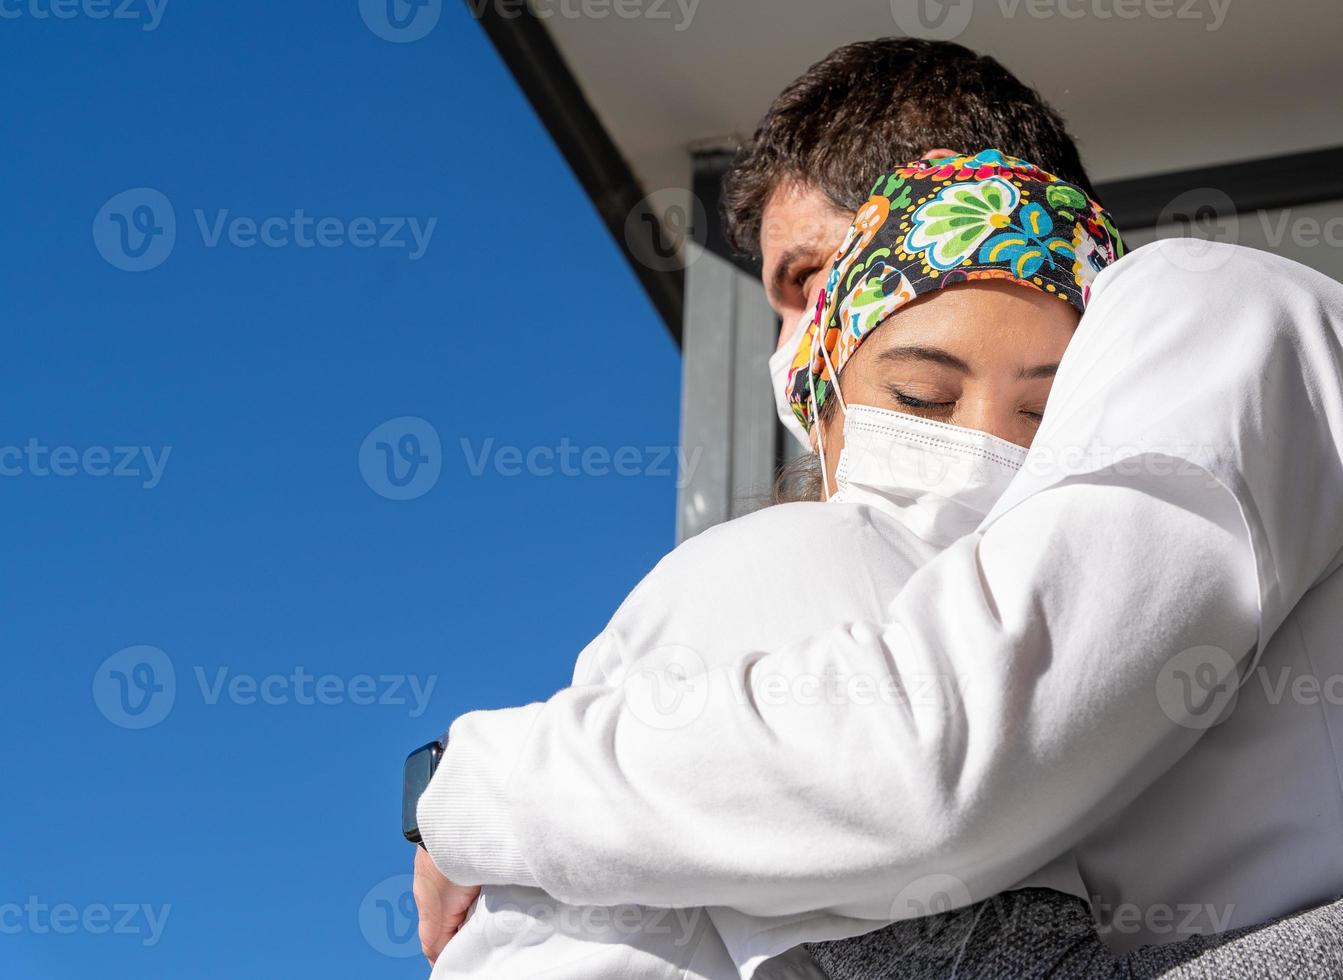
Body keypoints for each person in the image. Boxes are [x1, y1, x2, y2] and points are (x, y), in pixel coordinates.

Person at [414, 151, 1343, 976]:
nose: (982, 440)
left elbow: (937, 775)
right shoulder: (795, 555)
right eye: (918, 397)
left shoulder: (1202, 311)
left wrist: (466, 784)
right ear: (823, 415)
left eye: (1044, 416)